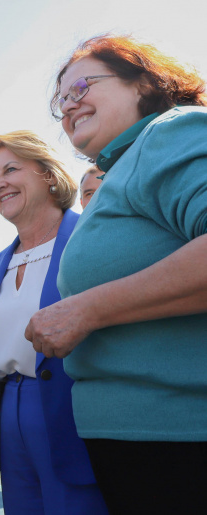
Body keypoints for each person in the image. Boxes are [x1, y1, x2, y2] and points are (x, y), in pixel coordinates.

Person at [25, 34, 207, 514]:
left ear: (144, 83)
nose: (68, 106)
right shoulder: (124, 169)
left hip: (180, 441)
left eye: (81, 86)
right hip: (136, 445)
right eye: (60, 100)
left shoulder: (173, 130)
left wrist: (86, 310)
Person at [0, 131, 107, 514]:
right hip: (10, 417)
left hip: (72, 411)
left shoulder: (89, 237)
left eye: (10, 170)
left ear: (49, 175)